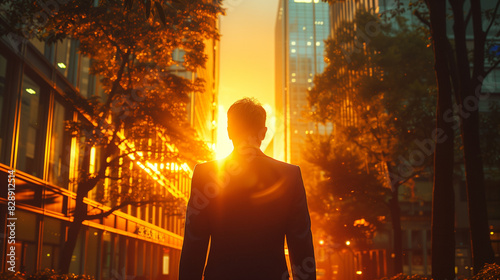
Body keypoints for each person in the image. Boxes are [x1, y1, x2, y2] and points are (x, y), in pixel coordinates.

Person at [179, 98, 316, 280]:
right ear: (263, 133)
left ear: (229, 132)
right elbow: (301, 244)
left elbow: (194, 244)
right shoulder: (289, 175)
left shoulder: (205, 174)